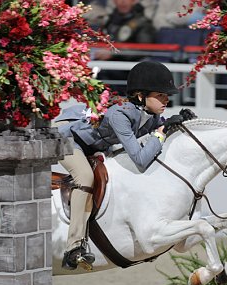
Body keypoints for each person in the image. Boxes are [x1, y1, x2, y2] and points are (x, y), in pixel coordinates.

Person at [54, 61, 196, 270]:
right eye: (161, 95)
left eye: (167, 96)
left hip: (94, 146)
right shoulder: (120, 114)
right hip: (67, 139)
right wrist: (163, 130)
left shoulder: (149, 113)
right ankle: (74, 247)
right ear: (140, 96)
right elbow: (140, 158)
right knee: (85, 178)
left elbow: (160, 128)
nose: (166, 99)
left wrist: (178, 122)